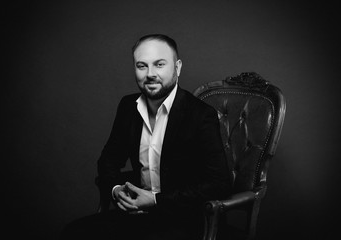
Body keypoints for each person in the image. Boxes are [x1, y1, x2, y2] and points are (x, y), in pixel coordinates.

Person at [60, 34, 231, 240]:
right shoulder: (128, 107)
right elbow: (108, 161)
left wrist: (157, 200)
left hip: (186, 219)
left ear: (177, 67)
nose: (150, 74)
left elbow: (219, 183)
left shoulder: (201, 115)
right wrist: (116, 190)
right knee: (72, 233)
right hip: (137, 215)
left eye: (159, 64)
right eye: (142, 66)